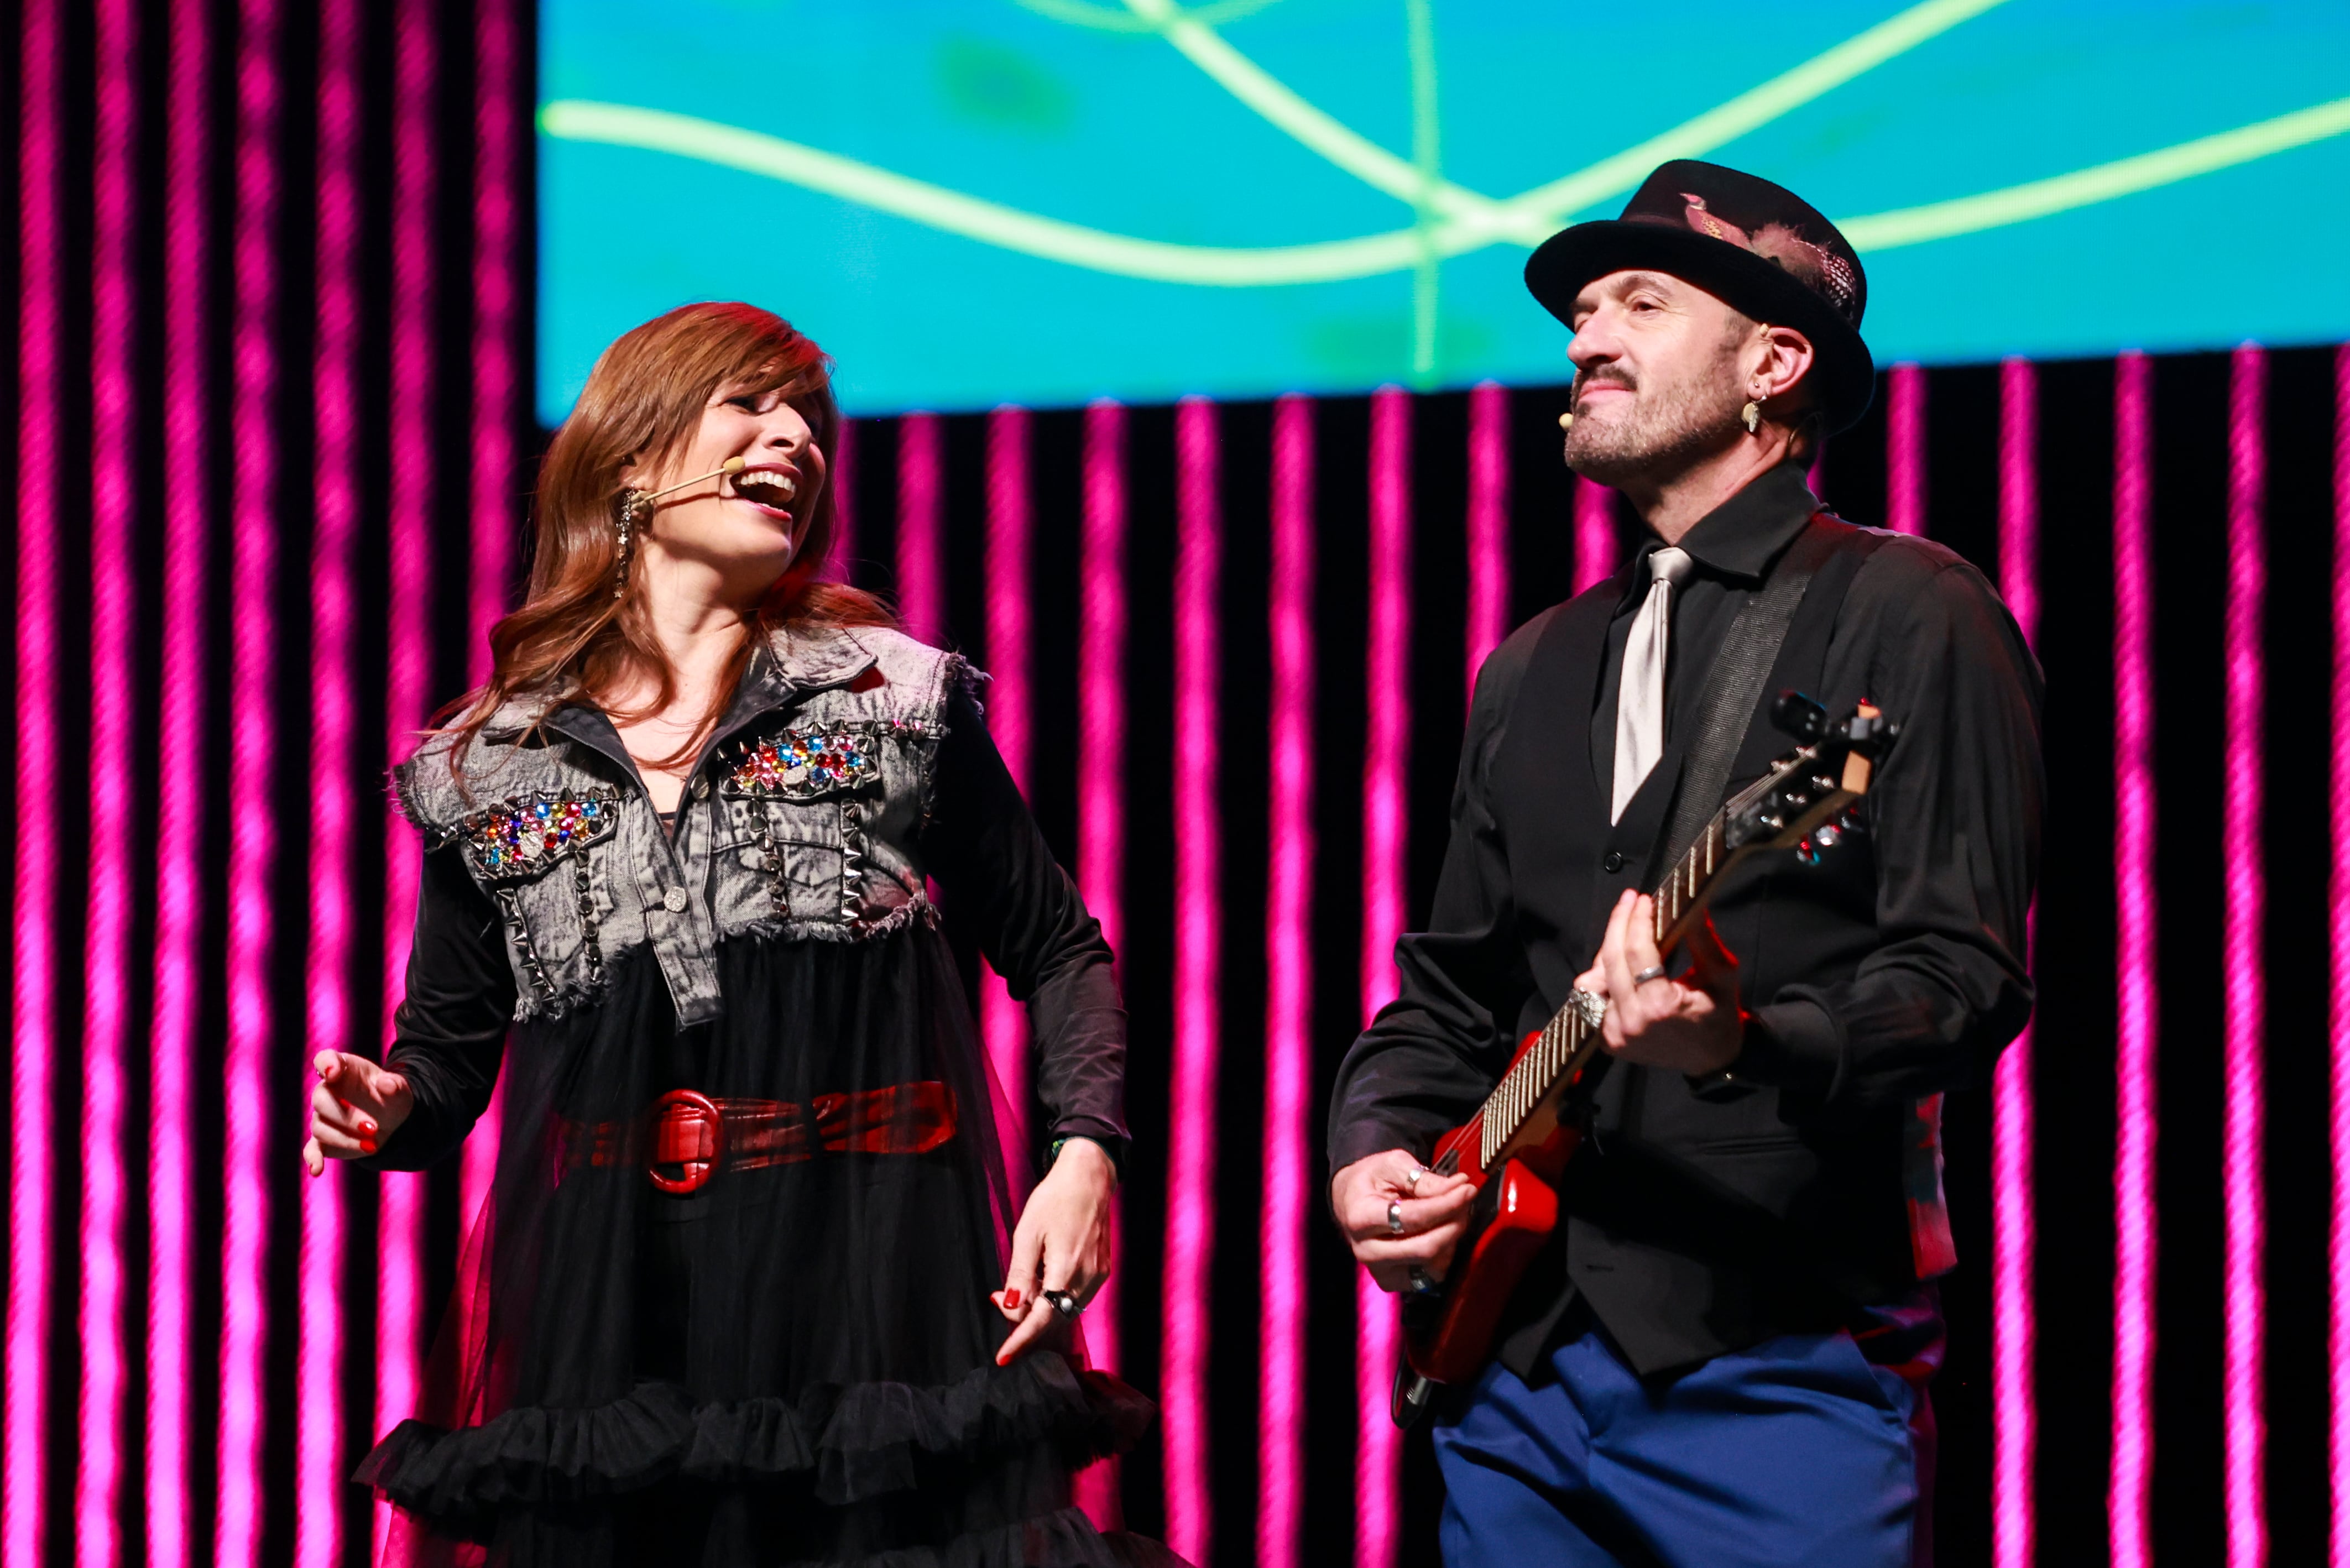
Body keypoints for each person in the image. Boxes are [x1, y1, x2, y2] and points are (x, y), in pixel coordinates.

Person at [304, 302, 1176, 1566]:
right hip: (621, 1304)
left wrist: (1083, 1152)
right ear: (635, 461)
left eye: (810, 421)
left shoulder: (889, 694)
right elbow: (445, 1063)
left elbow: (1059, 947)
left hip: (874, 1270)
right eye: (751, 406)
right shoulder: (483, 764)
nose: (797, 441)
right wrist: (382, 1104)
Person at [1327, 162, 2041, 1566]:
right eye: (1582, 309)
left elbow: (1962, 975)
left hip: (1776, 1362)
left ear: (1774, 363)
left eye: (1638, 302)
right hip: (1513, 1373)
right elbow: (1448, 997)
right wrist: (1373, 1151)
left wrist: (1743, 1035)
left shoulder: (1909, 608)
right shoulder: (1530, 662)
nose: (1586, 337)